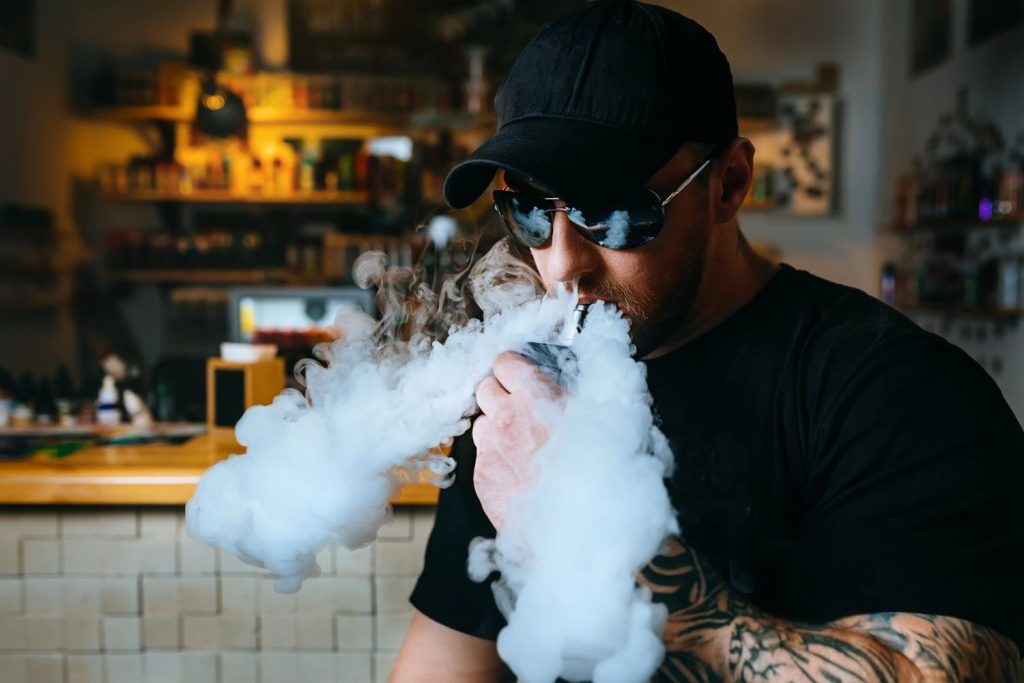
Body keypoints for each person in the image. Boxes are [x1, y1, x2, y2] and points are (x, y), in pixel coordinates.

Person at [392, 1, 1024, 680]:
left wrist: (600, 536)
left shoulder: (895, 389)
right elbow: (440, 664)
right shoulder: (526, 405)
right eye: (528, 210)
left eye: (610, 210)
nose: (562, 261)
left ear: (728, 184)